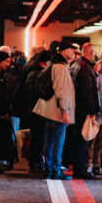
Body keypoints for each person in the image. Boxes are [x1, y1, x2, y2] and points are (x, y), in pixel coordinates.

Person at [33, 41, 76, 180]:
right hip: (57, 111)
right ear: (64, 51)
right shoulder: (61, 67)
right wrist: (65, 111)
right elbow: (61, 91)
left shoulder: (51, 64)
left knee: (49, 140)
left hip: (48, 109)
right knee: (58, 140)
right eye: (71, 50)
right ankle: (56, 169)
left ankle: (49, 168)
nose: (73, 52)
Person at [69, 43, 98, 180]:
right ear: (90, 52)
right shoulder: (86, 68)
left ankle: (76, 166)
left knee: (76, 139)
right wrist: (92, 110)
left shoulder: (75, 65)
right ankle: (79, 170)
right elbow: (88, 91)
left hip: (74, 107)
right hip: (83, 109)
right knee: (83, 139)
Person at [24, 50, 52, 172]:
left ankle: (35, 161)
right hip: (36, 110)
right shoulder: (36, 74)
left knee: (38, 137)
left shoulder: (33, 72)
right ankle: (34, 162)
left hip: (35, 109)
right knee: (38, 137)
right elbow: (35, 94)